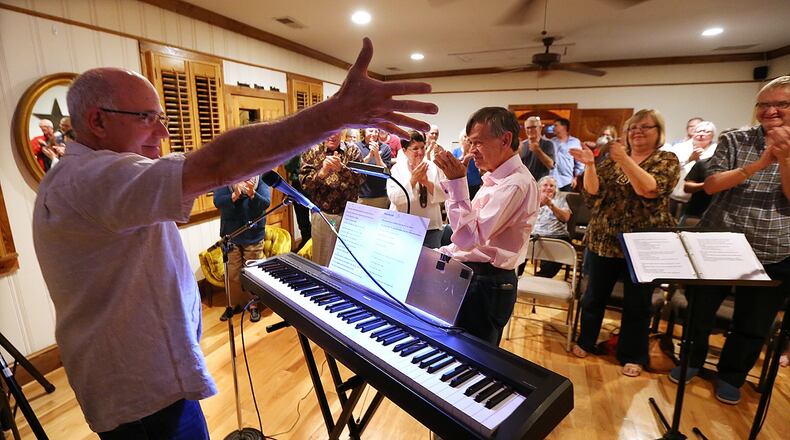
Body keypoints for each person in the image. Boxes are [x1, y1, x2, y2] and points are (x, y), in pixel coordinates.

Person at [31, 38, 437, 438]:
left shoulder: (99, 175)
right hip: (141, 394)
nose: (163, 131)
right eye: (146, 118)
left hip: (151, 383)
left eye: (162, 116)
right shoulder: (91, 179)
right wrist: (336, 113)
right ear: (98, 121)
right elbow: (219, 163)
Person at [668, 76, 790, 405]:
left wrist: (785, 159)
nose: (771, 111)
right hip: (718, 240)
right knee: (699, 311)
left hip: (773, 248)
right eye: (763, 105)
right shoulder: (735, 139)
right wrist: (761, 163)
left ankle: (732, 376)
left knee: (753, 322)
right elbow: (711, 185)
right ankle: (691, 360)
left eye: (781, 104)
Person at [569, 109, 680, 377]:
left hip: (642, 244)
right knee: (594, 296)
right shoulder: (611, 160)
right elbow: (593, 194)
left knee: (637, 304)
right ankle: (587, 340)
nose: (637, 132)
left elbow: (649, 189)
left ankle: (632, 354)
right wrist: (590, 165)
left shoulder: (666, 159)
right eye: (632, 128)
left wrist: (625, 159)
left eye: (645, 127)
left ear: (658, 132)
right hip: (604, 238)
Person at [434, 107, 539, 346]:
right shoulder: (495, 179)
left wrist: (457, 182)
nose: (472, 150)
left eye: (478, 142)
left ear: (505, 140)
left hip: (486, 283)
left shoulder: (515, 184)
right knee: (456, 349)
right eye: (470, 142)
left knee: (471, 356)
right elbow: (464, 232)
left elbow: (469, 238)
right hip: (474, 277)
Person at [300, 132, 366, 266]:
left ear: (342, 131)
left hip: (349, 215)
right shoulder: (311, 150)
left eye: (336, 131)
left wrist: (342, 169)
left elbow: (362, 179)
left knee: (347, 262)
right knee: (322, 262)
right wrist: (322, 173)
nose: (332, 135)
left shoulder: (353, 150)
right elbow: (305, 184)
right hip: (323, 215)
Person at [213, 175, 271, 323]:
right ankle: (233, 304)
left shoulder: (260, 176)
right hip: (230, 234)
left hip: (254, 233)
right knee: (232, 273)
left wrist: (252, 194)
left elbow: (266, 203)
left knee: (252, 273)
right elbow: (218, 202)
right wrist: (235, 195)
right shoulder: (225, 177)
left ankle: (253, 305)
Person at [387, 130, 446, 248]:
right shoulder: (397, 169)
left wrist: (426, 182)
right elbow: (395, 199)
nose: (420, 152)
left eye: (422, 147)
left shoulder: (433, 167)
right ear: (404, 151)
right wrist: (413, 180)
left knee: (430, 259)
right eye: (415, 148)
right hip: (404, 227)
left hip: (431, 227)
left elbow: (444, 195)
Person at [524, 175, 572, 278]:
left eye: (552, 186)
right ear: (539, 187)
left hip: (556, 236)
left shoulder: (560, 199)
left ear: (555, 188)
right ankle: (515, 279)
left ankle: (538, 280)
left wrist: (551, 204)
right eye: (545, 185)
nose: (549, 188)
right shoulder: (532, 198)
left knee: (550, 266)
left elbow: (565, 218)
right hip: (532, 235)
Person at [355, 127, 393, 208]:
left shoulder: (385, 148)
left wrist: (377, 155)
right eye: (371, 131)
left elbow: (386, 171)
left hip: (380, 195)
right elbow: (356, 168)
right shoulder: (356, 146)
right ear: (364, 131)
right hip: (360, 195)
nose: (373, 134)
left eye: (376, 131)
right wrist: (370, 155)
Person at [550, 118, 584, 191]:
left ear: (564, 127)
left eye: (556, 125)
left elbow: (580, 162)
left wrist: (576, 178)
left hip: (567, 181)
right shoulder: (551, 142)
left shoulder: (574, 142)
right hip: (552, 180)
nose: (553, 128)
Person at [519, 116, 555, 181]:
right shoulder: (522, 145)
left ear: (540, 128)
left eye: (533, 127)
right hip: (525, 182)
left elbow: (551, 165)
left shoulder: (548, 144)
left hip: (541, 183)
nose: (530, 130)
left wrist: (538, 151)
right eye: (528, 128)